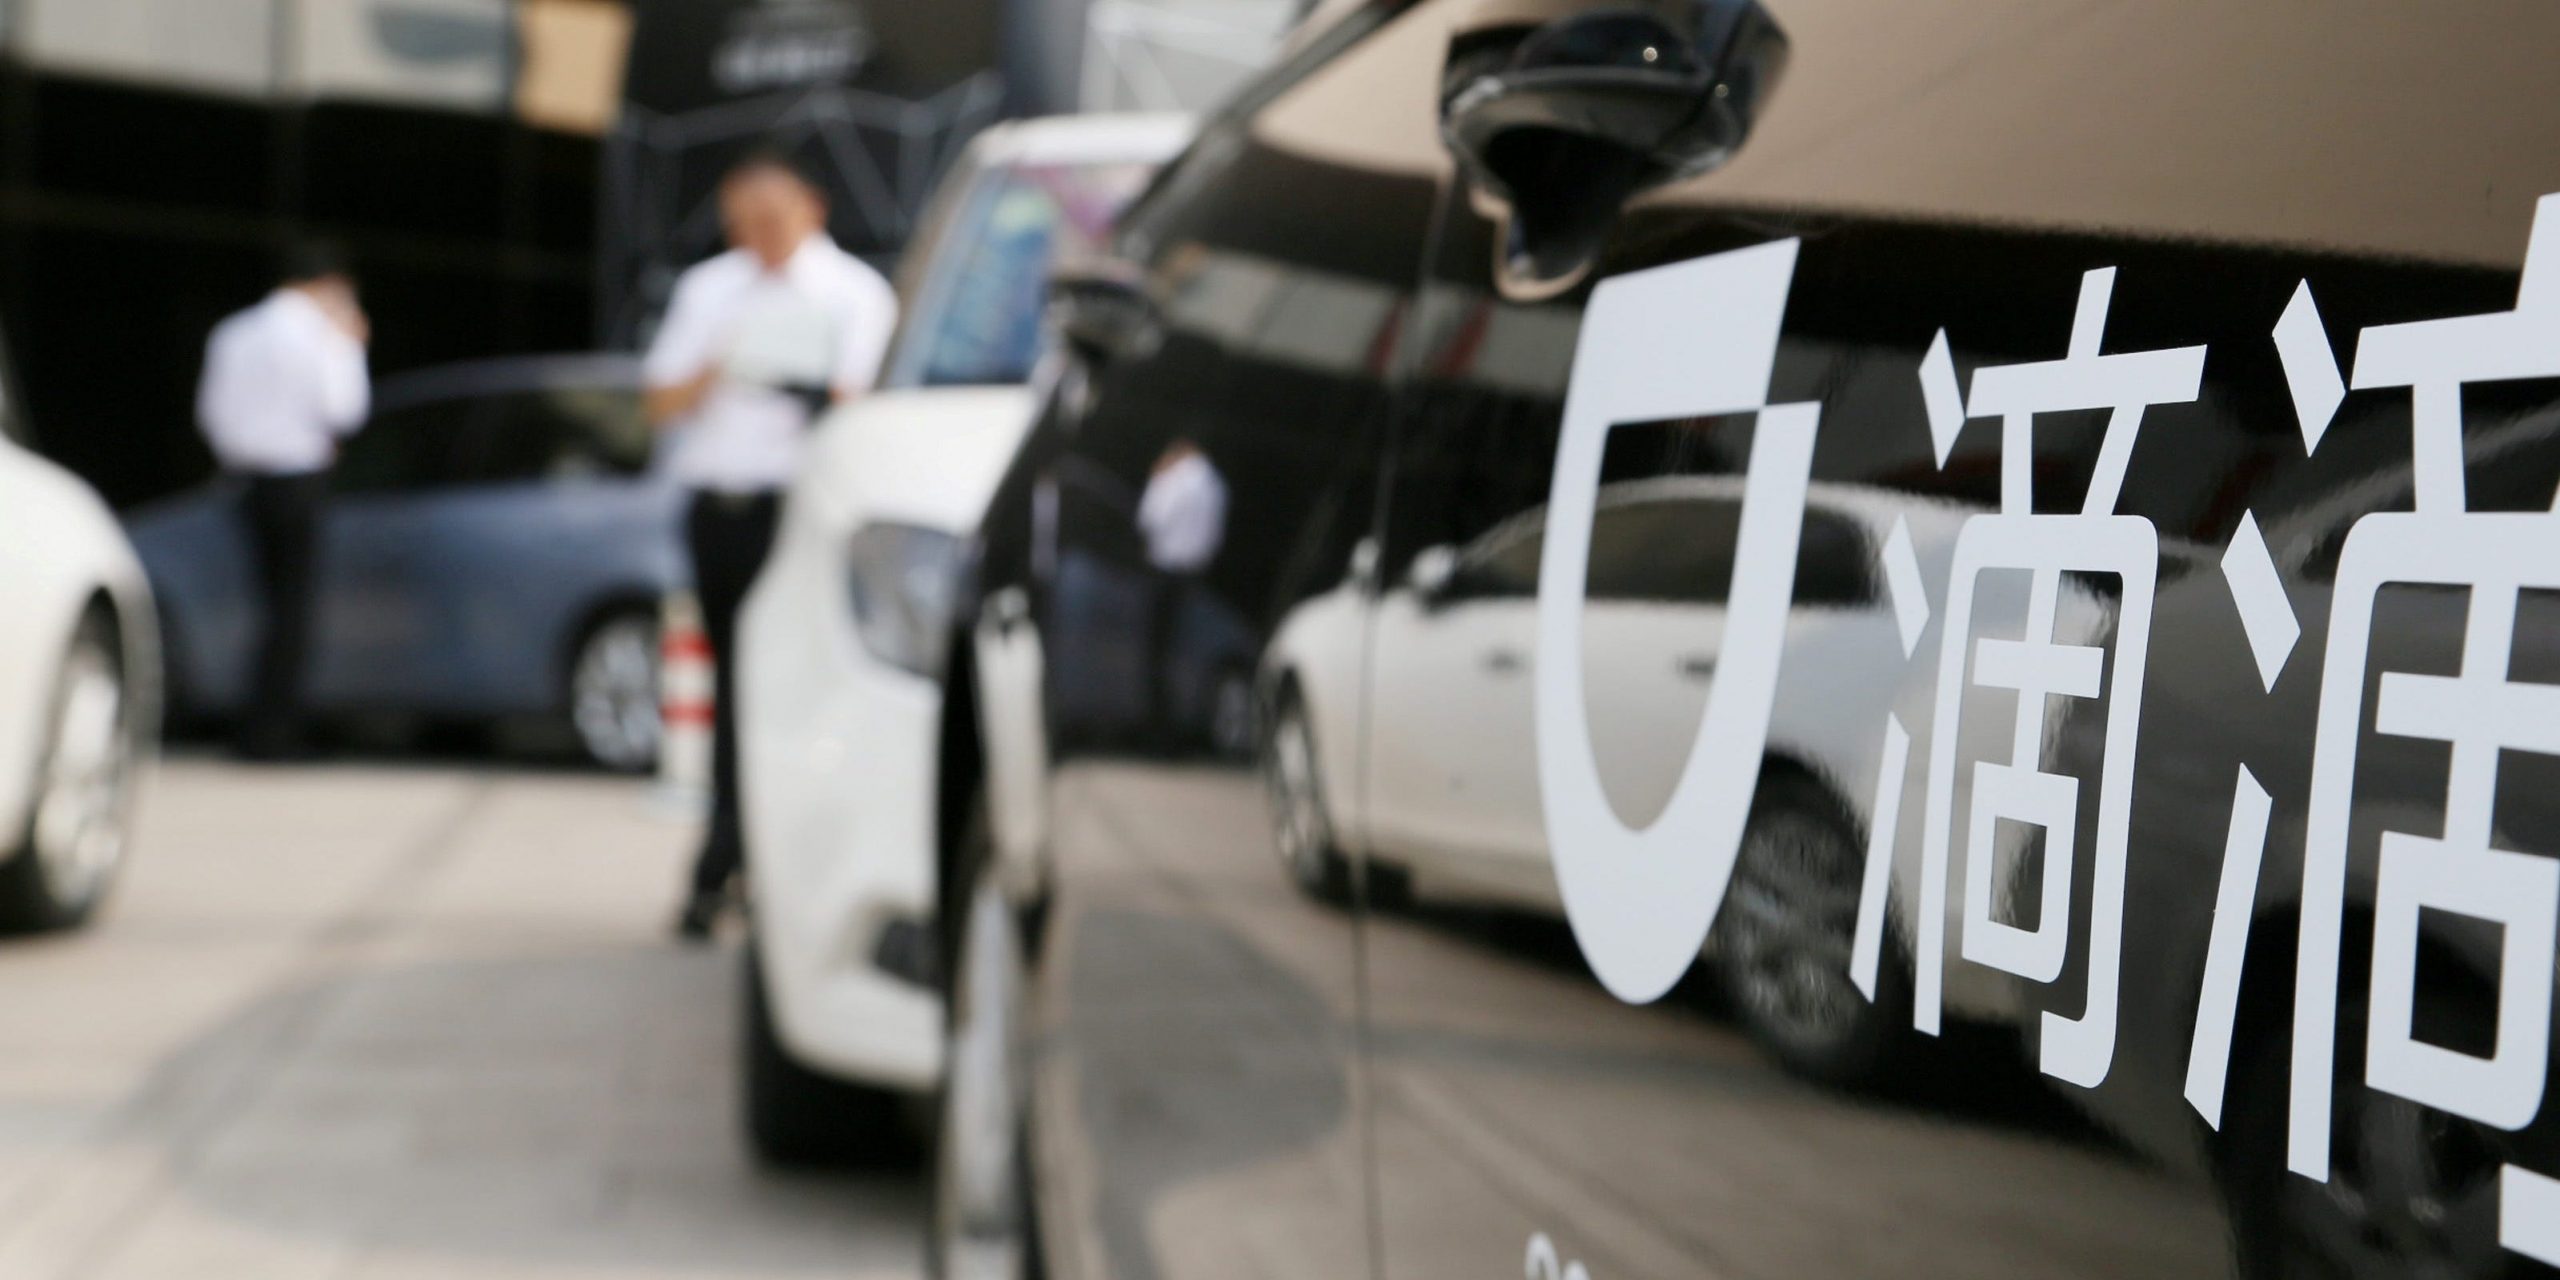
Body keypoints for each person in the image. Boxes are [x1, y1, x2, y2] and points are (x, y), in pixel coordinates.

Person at [646, 148, 898, 941]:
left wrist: (807, 383)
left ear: (811, 209)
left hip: (798, 514)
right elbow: (659, 402)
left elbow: (867, 405)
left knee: (794, 693)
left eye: (772, 220)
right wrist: (727, 364)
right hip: (719, 510)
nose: (757, 237)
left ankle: (747, 867)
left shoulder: (854, 292)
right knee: (733, 694)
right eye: (741, 223)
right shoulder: (710, 289)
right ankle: (729, 858)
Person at [195, 244, 372, 761]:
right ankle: (276, 735)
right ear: (328, 284)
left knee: (260, 606)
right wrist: (351, 345)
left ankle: (250, 727)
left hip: (246, 482)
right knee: (292, 611)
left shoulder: (234, 331)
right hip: (299, 478)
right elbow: (346, 410)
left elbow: (212, 417)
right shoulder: (321, 334)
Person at [1136, 438, 1228, 750]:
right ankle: (1188, 731)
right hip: (1197, 576)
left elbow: (1149, 519)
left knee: (1157, 656)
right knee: (1190, 654)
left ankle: (1158, 733)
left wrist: (1156, 480)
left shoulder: (1171, 479)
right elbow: (1214, 538)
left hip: (1166, 572)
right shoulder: (1216, 485)